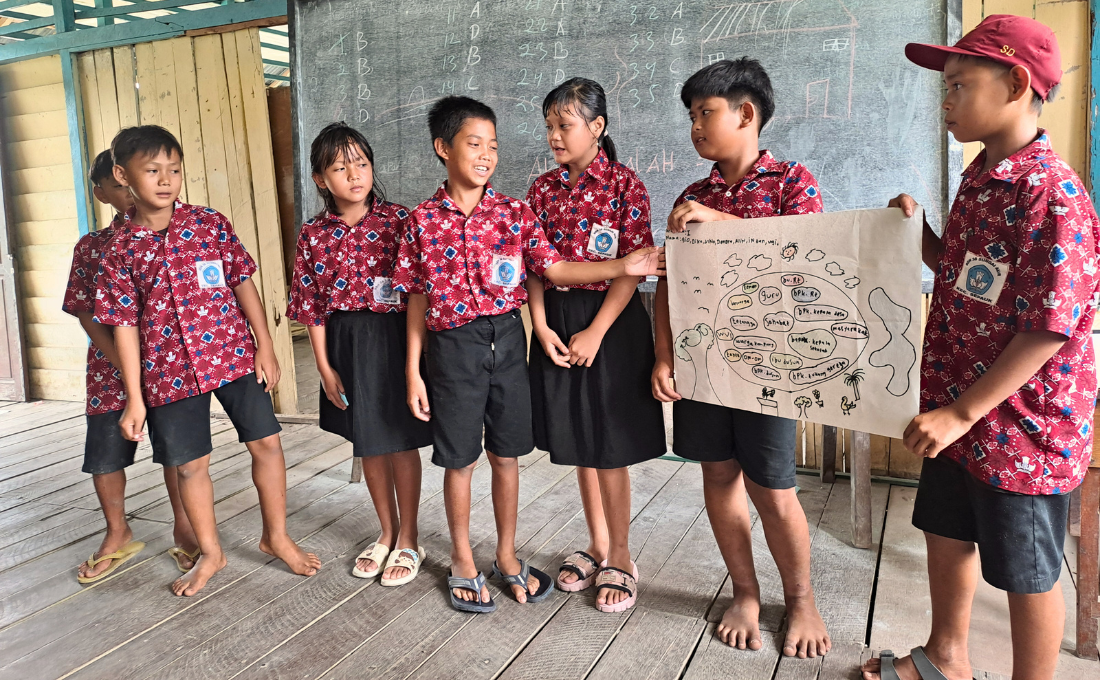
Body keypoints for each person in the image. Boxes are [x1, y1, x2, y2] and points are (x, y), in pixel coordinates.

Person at [862, 15, 1098, 680]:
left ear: (1017, 83)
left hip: (1022, 429)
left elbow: (1048, 329)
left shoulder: (1054, 197)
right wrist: (920, 235)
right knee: (946, 528)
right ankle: (947, 656)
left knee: (1027, 571)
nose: (946, 100)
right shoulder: (979, 175)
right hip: (957, 406)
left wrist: (964, 412)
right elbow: (967, 275)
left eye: (960, 84)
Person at [393, 96, 664, 613]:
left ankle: (511, 556)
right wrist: (413, 369)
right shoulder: (424, 221)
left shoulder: (514, 212)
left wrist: (625, 265)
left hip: (515, 341)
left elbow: (556, 268)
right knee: (460, 457)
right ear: (442, 149)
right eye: (475, 145)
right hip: (459, 347)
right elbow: (417, 296)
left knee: (513, 453)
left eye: (493, 146)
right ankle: (462, 560)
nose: (487, 155)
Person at [652, 58, 831, 658]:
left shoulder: (792, 182)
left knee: (774, 487)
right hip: (705, 365)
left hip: (771, 367)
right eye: (692, 116)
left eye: (705, 112)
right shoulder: (690, 195)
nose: (695, 126)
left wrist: (722, 221)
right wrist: (663, 357)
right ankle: (747, 591)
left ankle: (801, 599)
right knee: (719, 475)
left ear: (746, 113)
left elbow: (806, 257)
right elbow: (670, 286)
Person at [94, 125, 322, 597]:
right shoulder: (118, 249)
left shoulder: (208, 223)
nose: (165, 180)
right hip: (168, 372)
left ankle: (275, 536)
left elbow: (242, 283)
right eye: (152, 170)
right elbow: (125, 327)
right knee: (191, 466)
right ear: (122, 175)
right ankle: (211, 553)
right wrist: (134, 398)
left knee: (267, 443)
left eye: (173, 170)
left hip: (233, 356)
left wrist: (265, 344)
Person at [525, 78, 665, 613]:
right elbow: (537, 265)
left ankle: (623, 556)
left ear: (597, 127)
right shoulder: (540, 190)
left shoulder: (626, 186)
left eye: (565, 125)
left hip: (611, 322)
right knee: (581, 439)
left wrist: (596, 331)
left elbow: (634, 269)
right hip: (556, 322)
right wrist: (539, 326)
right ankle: (597, 544)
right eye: (550, 127)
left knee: (611, 446)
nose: (555, 135)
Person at [287, 122, 432, 585]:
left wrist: (415, 363)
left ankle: (409, 538)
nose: (354, 175)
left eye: (362, 164)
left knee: (400, 442)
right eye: (340, 167)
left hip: (394, 340)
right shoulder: (313, 234)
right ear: (320, 179)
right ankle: (386, 534)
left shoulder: (399, 221)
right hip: (345, 344)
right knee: (369, 443)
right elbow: (309, 307)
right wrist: (326, 367)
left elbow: (416, 294)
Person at [64, 149, 200, 583]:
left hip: (167, 361)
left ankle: (185, 526)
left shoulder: (169, 235)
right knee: (104, 452)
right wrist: (125, 369)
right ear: (102, 191)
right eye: (117, 186)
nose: (127, 193)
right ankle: (117, 531)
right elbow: (86, 311)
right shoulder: (93, 247)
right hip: (110, 368)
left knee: (176, 449)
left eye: (130, 185)